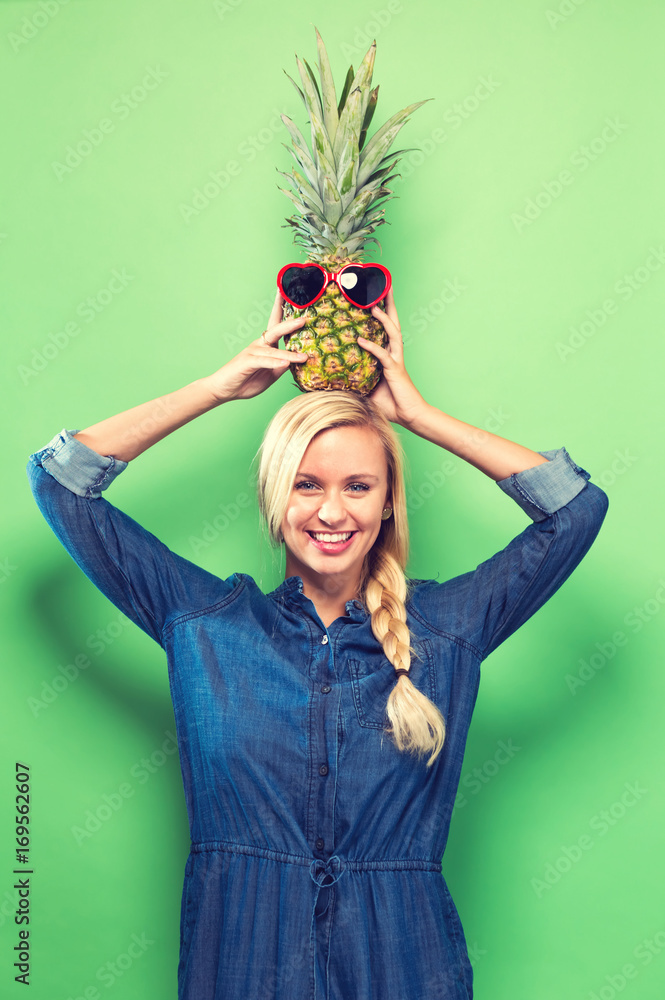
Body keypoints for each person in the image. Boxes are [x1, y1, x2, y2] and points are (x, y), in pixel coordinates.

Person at [27, 286, 608, 999]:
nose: (331, 511)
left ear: (388, 499)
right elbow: (60, 482)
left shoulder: (446, 627)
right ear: (275, 497)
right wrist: (215, 390)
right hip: (239, 954)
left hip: (403, 958)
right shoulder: (205, 622)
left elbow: (573, 509)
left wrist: (418, 418)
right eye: (306, 485)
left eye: (358, 486)